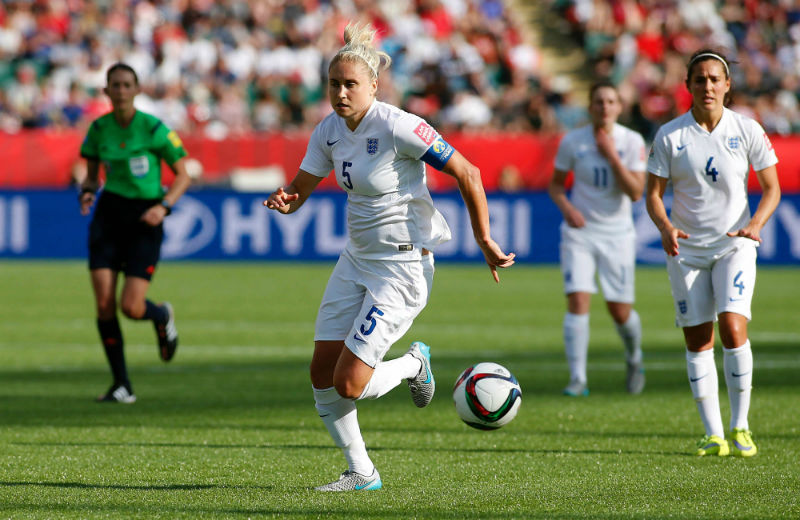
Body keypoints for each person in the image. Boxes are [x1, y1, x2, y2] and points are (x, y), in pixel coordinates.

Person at [263, 23, 515, 491]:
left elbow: (468, 172)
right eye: (334, 84)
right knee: (321, 373)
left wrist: (483, 239)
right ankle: (362, 471)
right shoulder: (329, 131)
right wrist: (287, 199)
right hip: (355, 260)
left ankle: (414, 364)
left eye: (351, 84)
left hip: (401, 268)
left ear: (374, 85)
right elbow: (301, 188)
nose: (341, 92)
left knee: (350, 383)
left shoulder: (399, 125)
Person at [645, 49, 780, 457]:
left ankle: (741, 427)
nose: (707, 86)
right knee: (698, 339)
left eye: (714, 79)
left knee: (733, 328)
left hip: (734, 243)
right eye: (699, 79)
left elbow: (772, 187)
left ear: (727, 84)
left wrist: (755, 224)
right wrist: (666, 227)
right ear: (687, 85)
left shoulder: (747, 129)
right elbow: (652, 194)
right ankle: (713, 433)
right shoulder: (670, 135)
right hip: (686, 250)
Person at [78, 63, 192, 403]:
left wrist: (165, 205)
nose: (122, 90)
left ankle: (161, 315)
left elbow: (184, 174)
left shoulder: (154, 128)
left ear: (138, 89)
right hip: (108, 216)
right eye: (115, 84)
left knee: (131, 306)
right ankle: (121, 385)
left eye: (128, 84)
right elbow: (91, 175)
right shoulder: (98, 129)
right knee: (103, 304)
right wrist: (86, 191)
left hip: (145, 218)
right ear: (106, 91)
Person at [548, 81, 647, 397]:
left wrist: (611, 156)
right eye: (599, 101)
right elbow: (556, 186)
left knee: (620, 311)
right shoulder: (573, 141)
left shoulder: (631, 142)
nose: (605, 107)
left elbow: (635, 193)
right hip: (580, 233)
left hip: (617, 234)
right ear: (590, 107)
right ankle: (578, 380)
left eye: (610, 101)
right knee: (578, 299)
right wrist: (567, 208)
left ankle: (634, 356)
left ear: (619, 107)